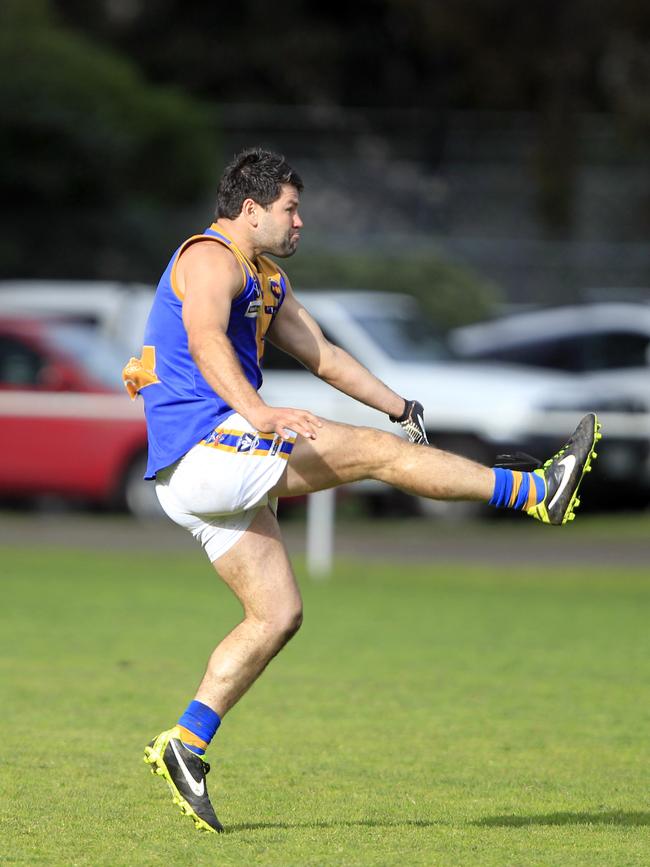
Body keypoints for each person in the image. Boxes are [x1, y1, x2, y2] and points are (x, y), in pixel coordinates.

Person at [122, 147, 600, 834]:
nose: (301, 220)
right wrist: (259, 414)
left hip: (200, 469)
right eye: (290, 207)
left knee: (277, 614)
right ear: (250, 209)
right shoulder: (208, 257)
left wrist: (398, 406)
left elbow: (324, 355)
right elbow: (203, 340)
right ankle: (534, 490)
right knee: (375, 457)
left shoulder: (266, 278)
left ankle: (186, 744)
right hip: (206, 449)